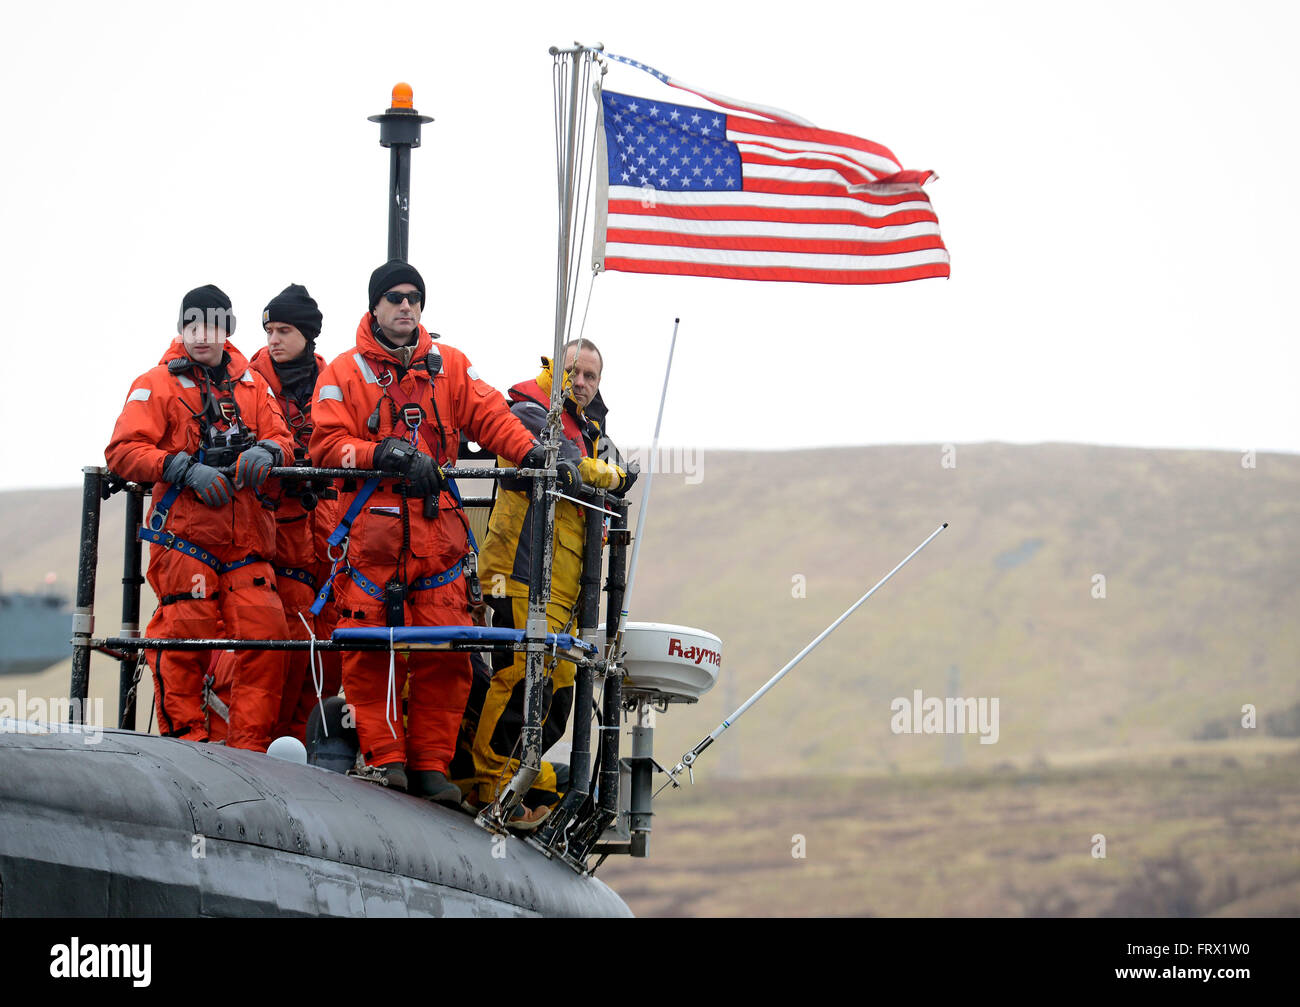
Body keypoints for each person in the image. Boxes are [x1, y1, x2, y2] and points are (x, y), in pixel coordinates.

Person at [308, 260, 542, 804]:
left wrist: (532, 453)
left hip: (439, 542)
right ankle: (386, 759)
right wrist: (380, 453)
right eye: (394, 297)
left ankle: (432, 767)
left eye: (414, 297)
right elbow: (324, 447)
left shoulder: (450, 367)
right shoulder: (343, 374)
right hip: (373, 545)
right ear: (375, 306)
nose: (406, 305)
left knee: (448, 654)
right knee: (371, 654)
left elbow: (491, 417)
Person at [105, 284, 294, 751]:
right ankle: (185, 743)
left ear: (226, 330)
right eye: (192, 324)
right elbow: (122, 451)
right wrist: (180, 467)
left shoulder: (252, 385)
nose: (201, 335)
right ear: (181, 328)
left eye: (211, 325)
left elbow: (283, 437)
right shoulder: (156, 384)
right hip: (184, 539)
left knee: (268, 638)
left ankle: (249, 750)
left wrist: (269, 450)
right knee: (182, 637)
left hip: (247, 542)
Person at [454, 338, 633, 826]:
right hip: (518, 574)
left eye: (590, 376)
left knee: (557, 687)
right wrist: (614, 477)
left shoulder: (590, 430)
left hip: (562, 589)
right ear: (556, 369)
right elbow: (568, 461)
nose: (580, 382)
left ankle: (509, 777)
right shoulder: (531, 412)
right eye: (573, 371)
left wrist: (608, 476)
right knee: (518, 679)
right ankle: (490, 784)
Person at [207, 284, 343, 744]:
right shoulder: (243, 383)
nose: (273, 339)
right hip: (268, 534)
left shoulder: (338, 382)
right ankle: (250, 747)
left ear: (308, 334)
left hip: (327, 535)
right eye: (268, 330)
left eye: (284, 330)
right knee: (268, 648)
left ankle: (298, 749)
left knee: (321, 656)